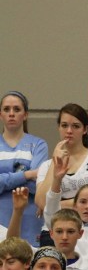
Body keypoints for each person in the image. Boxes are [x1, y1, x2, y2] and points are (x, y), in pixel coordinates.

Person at [34, 104, 88, 224]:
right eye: (64, 125)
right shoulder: (46, 165)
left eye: (75, 126)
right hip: (55, 230)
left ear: (85, 129)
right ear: (59, 127)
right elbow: (41, 202)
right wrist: (55, 161)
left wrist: (54, 206)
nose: (69, 131)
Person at [0, 91, 47, 246]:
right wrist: (26, 174)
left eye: (17, 109)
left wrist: (5, 181)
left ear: (25, 115)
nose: (11, 114)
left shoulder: (38, 145)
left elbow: (36, 186)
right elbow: (32, 177)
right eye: (6, 109)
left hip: (30, 220)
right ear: (1, 114)